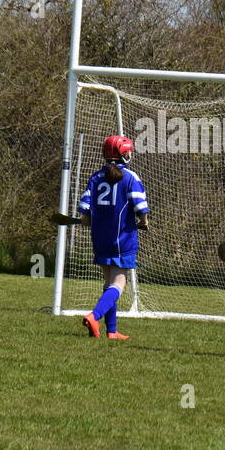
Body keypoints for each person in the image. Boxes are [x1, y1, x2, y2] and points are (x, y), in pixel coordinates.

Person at [77, 135, 149, 340]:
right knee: (119, 283)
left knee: (108, 282)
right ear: (123, 154)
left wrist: (85, 220)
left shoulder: (96, 177)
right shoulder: (130, 178)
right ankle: (94, 315)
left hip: (100, 237)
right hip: (122, 237)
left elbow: (84, 208)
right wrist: (143, 222)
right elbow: (141, 207)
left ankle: (111, 330)